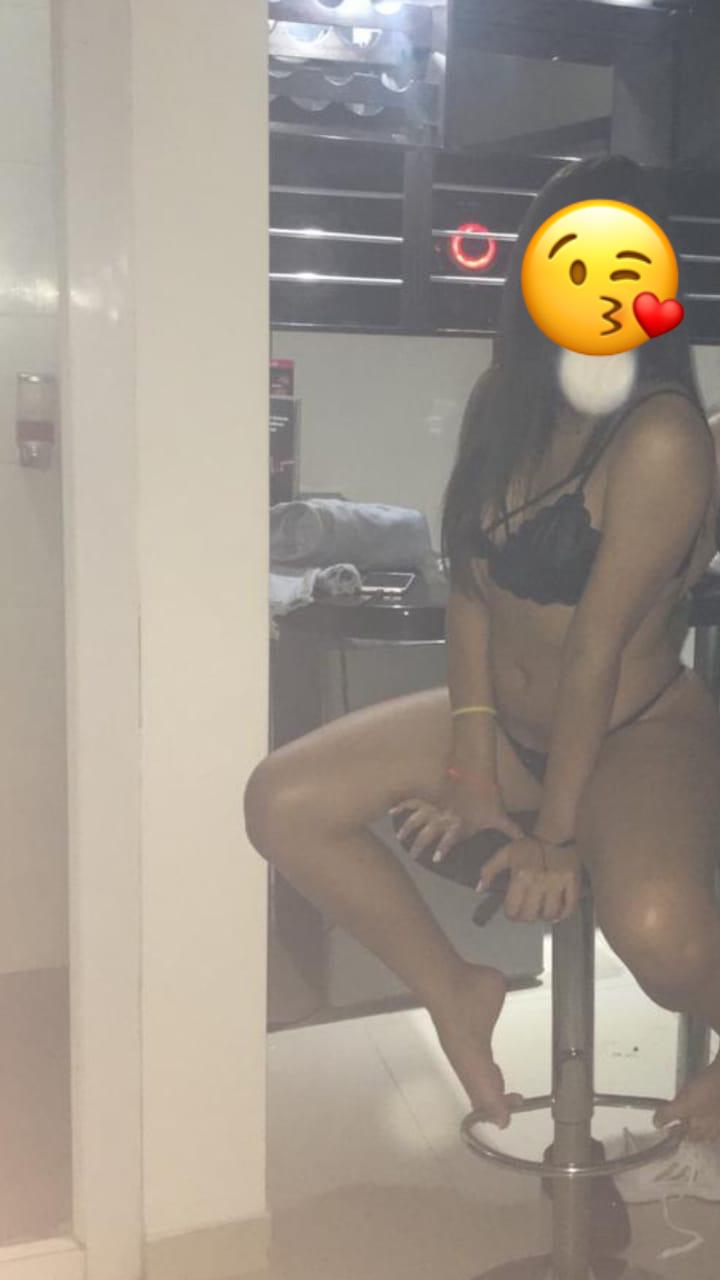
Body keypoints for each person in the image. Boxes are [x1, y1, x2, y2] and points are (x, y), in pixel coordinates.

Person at [245, 155, 720, 1141]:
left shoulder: (664, 435)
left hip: (632, 727)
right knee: (283, 802)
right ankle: (456, 987)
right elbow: (470, 590)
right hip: (508, 723)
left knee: (661, 935)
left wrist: (555, 833)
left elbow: (594, 652)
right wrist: (471, 767)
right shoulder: (503, 398)